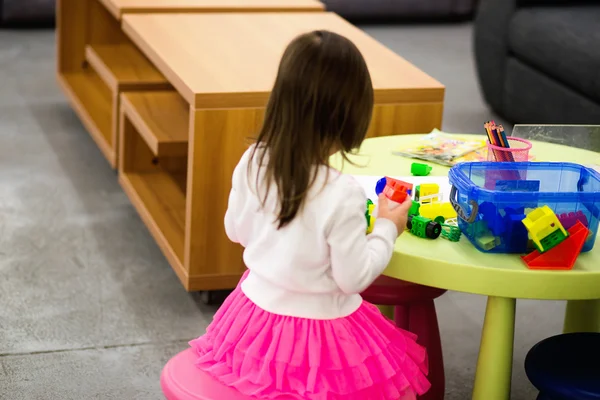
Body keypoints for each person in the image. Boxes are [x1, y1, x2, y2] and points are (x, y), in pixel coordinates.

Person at [189, 30, 430, 400]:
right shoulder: (342, 193)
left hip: (252, 320)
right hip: (319, 334)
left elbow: (234, 230)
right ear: (350, 114)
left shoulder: (252, 160)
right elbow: (353, 278)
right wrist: (387, 226)